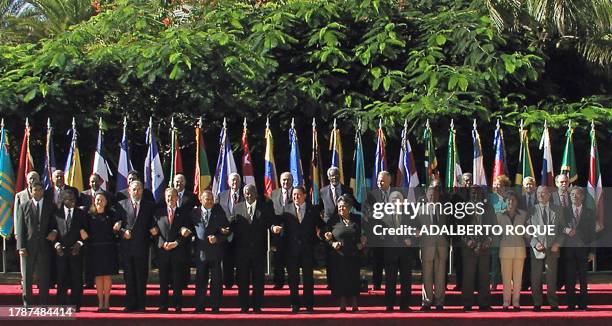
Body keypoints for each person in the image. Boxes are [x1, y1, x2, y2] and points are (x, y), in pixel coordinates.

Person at [271, 186, 324, 313]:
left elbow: (322, 225)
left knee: (308, 279)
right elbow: (276, 221)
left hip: (307, 249)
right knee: (293, 279)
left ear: (304, 195)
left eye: (298, 194)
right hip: (291, 250)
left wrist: (322, 233)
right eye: (294, 195)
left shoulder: (312, 209)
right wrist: (274, 227)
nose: (295, 197)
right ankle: (295, 304)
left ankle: (309, 304)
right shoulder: (287, 209)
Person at [114, 180, 157, 312]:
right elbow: (116, 226)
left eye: (139, 189)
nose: (136, 192)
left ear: (142, 191)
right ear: (129, 190)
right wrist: (122, 232)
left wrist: (154, 229)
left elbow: (153, 223)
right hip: (127, 247)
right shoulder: (121, 205)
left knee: (141, 276)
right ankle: (129, 304)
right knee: (129, 277)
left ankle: (141, 305)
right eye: (134, 189)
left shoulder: (149, 206)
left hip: (142, 246)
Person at [232, 184, 276, 313]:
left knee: (258, 280)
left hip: (258, 250)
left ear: (256, 193)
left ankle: (257, 306)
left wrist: (273, 228)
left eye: (250, 193)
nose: (248, 195)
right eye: (246, 193)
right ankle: (244, 306)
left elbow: (271, 222)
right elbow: (232, 224)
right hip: (242, 251)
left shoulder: (265, 207)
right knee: (242, 280)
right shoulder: (237, 207)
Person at [15, 182, 55, 307]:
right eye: (35, 190)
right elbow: (21, 227)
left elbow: (55, 223)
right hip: (28, 247)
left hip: (45, 245)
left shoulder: (50, 206)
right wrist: (21, 246)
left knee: (44, 275)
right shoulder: (24, 206)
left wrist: (54, 231)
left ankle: (44, 302)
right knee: (27, 276)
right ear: (31, 191)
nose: (37, 192)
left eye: (39, 190)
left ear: (43, 191)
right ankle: (28, 303)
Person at [190, 190, 230, 313]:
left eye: (211, 199)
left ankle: (215, 306)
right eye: (207, 199)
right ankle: (199, 306)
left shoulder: (219, 212)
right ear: (201, 200)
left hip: (215, 253)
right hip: (201, 253)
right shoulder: (194, 213)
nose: (210, 201)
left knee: (216, 281)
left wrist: (218, 238)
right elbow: (189, 228)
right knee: (200, 280)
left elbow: (227, 230)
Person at [527, 186, 566, 311]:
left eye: (543, 193)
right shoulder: (531, 210)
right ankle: (537, 303)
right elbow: (527, 230)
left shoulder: (558, 210)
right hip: (537, 249)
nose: (540, 195)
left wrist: (558, 243)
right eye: (538, 193)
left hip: (553, 249)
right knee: (535, 278)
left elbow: (563, 230)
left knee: (551, 278)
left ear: (549, 195)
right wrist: (534, 243)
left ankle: (553, 303)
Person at [153, 188, 192, 313]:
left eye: (173, 196)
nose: (170, 199)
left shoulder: (184, 213)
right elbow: (155, 233)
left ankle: (177, 305)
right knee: (163, 280)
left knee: (177, 280)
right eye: (168, 196)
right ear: (165, 198)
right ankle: (163, 305)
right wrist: (162, 243)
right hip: (163, 251)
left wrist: (176, 243)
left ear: (177, 198)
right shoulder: (158, 213)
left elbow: (187, 233)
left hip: (177, 251)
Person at [324, 195, 362, 312]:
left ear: (349, 207)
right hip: (339, 255)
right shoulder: (333, 220)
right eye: (339, 207)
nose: (341, 209)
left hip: (354, 254)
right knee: (340, 278)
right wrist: (331, 242)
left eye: (344, 207)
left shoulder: (357, 218)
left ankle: (355, 303)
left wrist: (363, 241)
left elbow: (366, 233)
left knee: (354, 278)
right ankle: (342, 303)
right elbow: (325, 235)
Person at [50, 190, 86, 311]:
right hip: (61, 253)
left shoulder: (81, 213)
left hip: (76, 252)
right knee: (61, 279)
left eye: (74, 199)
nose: (72, 202)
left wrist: (80, 243)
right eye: (69, 199)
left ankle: (76, 304)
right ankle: (61, 304)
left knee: (77, 279)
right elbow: (51, 232)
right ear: (63, 200)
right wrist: (56, 245)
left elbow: (87, 232)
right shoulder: (56, 214)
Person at [381, 191, 417, 312]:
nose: (396, 202)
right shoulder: (383, 215)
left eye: (398, 199)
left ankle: (405, 305)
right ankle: (389, 305)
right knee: (390, 280)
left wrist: (411, 239)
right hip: (390, 253)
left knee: (406, 280)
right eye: (393, 199)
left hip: (405, 252)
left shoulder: (410, 213)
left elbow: (416, 229)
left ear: (402, 201)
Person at [83, 191, 118, 312]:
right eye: (97, 199)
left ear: (106, 202)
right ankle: (100, 302)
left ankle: (107, 301)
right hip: (95, 249)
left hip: (108, 249)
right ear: (94, 201)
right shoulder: (89, 215)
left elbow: (116, 233)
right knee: (98, 276)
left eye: (102, 200)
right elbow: (85, 231)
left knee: (107, 276)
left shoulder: (111, 215)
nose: (99, 202)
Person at [563, 187, 596, 310]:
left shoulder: (589, 212)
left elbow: (593, 233)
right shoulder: (565, 211)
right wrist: (566, 230)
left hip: (583, 250)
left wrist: (592, 251)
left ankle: (583, 304)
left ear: (582, 197)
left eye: (577, 195)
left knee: (583, 278)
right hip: (569, 250)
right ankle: (570, 304)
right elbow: (559, 227)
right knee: (570, 278)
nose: (574, 197)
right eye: (572, 195)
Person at [416, 185, 449, 311]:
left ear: (438, 194)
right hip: (426, 245)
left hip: (442, 245)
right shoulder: (420, 210)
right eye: (430, 193)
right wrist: (416, 231)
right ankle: (427, 301)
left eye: (434, 193)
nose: (432, 195)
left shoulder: (446, 209)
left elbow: (451, 226)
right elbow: (415, 225)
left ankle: (439, 302)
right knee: (427, 275)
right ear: (426, 194)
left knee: (440, 275)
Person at [461, 186, 493, 311]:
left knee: (484, 277)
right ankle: (467, 303)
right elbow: (458, 228)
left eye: (478, 193)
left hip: (484, 247)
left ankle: (484, 303)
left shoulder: (488, 208)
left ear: (482, 194)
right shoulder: (463, 208)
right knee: (468, 277)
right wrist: (468, 241)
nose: (475, 195)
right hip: (469, 247)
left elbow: (494, 227)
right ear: (469, 194)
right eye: (473, 193)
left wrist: (488, 240)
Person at [320, 167, 351, 291]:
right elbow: (319, 207)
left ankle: (344, 281)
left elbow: (355, 205)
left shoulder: (348, 190)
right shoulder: (322, 191)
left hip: (343, 225)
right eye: (332, 176)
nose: (334, 177)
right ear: (328, 177)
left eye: (336, 175)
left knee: (343, 254)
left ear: (340, 175)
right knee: (329, 255)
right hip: (329, 227)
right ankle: (331, 282)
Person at [363, 171, 394, 290]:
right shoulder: (371, 195)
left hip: (393, 234)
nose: (379, 183)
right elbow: (366, 215)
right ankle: (376, 284)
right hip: (377, 233)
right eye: (378, 181)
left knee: (391, 261)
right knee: (377, 260)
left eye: (382, 181)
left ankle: (391, 285)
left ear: (389, 181)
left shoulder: (398, 193)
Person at [497, 191, 528, 311]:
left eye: (513, 200)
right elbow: (495, 233)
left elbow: (528, 231)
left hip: (519, 249)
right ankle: (505, 302)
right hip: (505, 250)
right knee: (505, 278)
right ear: (505, 202)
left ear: (517, 202)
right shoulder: (499, 216)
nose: (511, 202)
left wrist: (527, 233)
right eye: (508, 200)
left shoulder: (523, 215)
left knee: (518, 278)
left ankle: (516, 302)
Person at [216, 172, 243, 289]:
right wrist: (221, 228)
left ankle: (241, 282)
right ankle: (227, 282)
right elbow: (216, 213)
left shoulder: (246, 195)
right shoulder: (221, 196)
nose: (234, 182)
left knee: (241, 260)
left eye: (237, 180)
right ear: (228, 182)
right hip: (225, 234)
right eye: (232, 180)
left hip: (241, 233)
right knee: (226, 260)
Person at [269, 172, 293, 289]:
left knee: (292, 260)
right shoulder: (274, 194)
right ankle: (278, 282)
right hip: (278, 234)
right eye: (283, 180)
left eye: (288, 180)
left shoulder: (297, 193)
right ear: (280, 180)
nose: (285, 182)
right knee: (278, 259)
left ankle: (293, 282)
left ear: (292, 181)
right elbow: (270, 214)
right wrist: (273, 227)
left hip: (294, 233)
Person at [489, 174, 511, 290]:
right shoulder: (490, 198)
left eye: (499, 185)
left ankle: (509, 281)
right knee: (494, 260)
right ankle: (493, 283)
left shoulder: (510, 198)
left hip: (508, 234)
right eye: (495, 185)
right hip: (494, 234)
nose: (497, 187)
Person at [519, 176, 537, 290]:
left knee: (536, 260)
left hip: (537, 234)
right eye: (526, 184)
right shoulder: (519, 199)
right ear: (523, 186)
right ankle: (525, 283)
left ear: (534, 185)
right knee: (524, 260)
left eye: (531, 184)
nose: (529, 186)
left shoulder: (541, 198)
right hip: (523, 235)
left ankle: (535, 284)